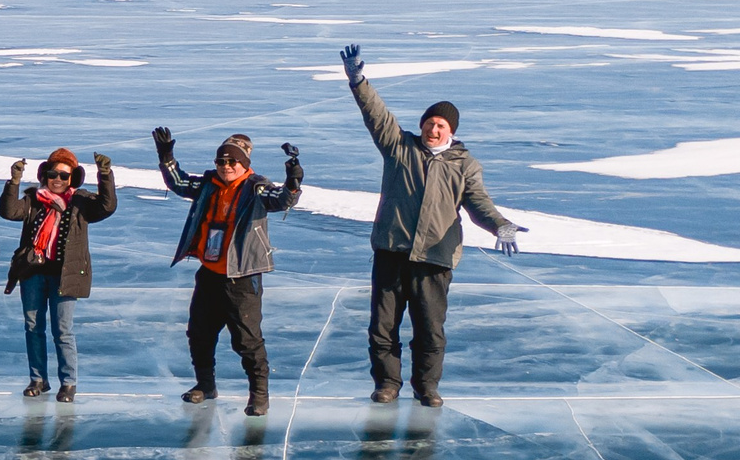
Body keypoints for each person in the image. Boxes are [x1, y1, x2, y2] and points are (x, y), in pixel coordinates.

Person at [339, 44, 524, 407]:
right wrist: (358, 80)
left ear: (450, 131)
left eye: (440, 125)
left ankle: (427, 386)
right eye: (429, 123)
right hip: (392, 250)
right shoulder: (399, 148)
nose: (433, 129)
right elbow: (377, 115)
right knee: (383, 327)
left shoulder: (464, 164)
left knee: (430, 330)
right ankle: (387, 384)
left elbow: (478, 203)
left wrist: (499, 224)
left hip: (435, 258)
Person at [155, 126, 303, 417]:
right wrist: (166, 157)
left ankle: (259, 395)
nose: (226, 166)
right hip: (210, 274)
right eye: (221, 161)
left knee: (247, 341)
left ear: (244, 164)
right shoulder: (208, 184)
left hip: (242, 277)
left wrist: (293, 181)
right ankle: (205, 385)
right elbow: (179, 183)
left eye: (232, 161)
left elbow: (282, 199)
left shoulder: (256, 187)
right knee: (199, 334)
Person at [0, 148, 117, 403]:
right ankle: (38, 379)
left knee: (62, 330)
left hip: (66, 275)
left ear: (73, 178)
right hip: (32, 272)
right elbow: (8, 211)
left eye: (64, 175)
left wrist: (105, 175)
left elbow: (107, 207)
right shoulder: (33, 200)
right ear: (45, 175)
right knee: (33, 327)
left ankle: (68, 383)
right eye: (53, 174)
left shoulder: (81, 202)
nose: (58, 180)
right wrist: (14, 182)